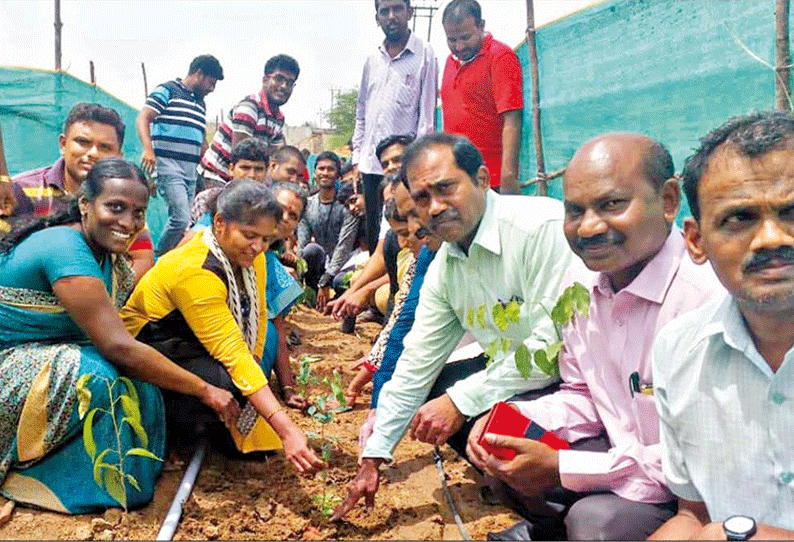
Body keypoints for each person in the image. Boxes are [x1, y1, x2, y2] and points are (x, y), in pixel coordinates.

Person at [467, 133, 724, 541]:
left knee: (598, 523)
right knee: (509, 451)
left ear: (670, 200)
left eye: (611, 205)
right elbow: (583, 391)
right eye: (575, 210)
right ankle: (548, 532)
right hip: (623, 455)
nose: (588, 227)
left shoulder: (705, 301)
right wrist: (519, 419)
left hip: (694, 493)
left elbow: (703, 459)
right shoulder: (581, 282)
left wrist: (563, 466)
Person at [331, 132, 575, 521]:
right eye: (423, 198)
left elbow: (553, 348)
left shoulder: (539, 228)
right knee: (444, 392)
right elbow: (416, 361)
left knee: (472, 416)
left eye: (446, 188)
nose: (435, 207)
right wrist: (374, 457)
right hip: (524, 381)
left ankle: (566, 509)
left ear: (481, 178)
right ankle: (537, 509)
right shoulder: (447, 266)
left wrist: (461, 403)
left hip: (577, 385)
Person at [0, 158, 237, 513]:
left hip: (56, 349)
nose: (129, 223)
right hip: (10, 363)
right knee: (98, 379)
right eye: (116, 207)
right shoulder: (64, 247)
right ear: (85, 204)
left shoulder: (104, 254)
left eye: (138, 213)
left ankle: (124, 475)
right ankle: (46, 476)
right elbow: (116, 345)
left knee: (142, 382)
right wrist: (206, 390)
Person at [649, 111, 794, 540]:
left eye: (792, 212)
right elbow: (693, 513)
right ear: (696, 241)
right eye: (740, 218)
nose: (771, 238)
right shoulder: (678, 351)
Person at [121, 180, 323, 471]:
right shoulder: (195, 270)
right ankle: (172, 429)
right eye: (249, 235)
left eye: (266, 239)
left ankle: (212, 429)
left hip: (189, 343)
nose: (258, 246)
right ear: (219, 223)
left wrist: (254, 374)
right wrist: (288, 430)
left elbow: (258, 316)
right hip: (150, 347)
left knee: (245, 384)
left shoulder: (254, 257)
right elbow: (232, 353)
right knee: (225, 383)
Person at [8, 103, 154, 282]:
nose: (93, 153)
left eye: (105, 148)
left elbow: (142, 259)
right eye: (83, 142)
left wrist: (103, 292)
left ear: (118, 157)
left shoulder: (126, 203)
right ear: (63, 144)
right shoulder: (20, 191)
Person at [352, 0, 438, 254]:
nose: (392, 16)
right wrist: (358, 158)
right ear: (377, 17)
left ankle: (402, 290)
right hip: (371, 166)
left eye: (398, 9)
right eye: (384, 11)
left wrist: (417, 165)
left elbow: (426, 117)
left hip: (402, 167)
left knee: (404, 232)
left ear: (409, 12)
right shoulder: (372, 59)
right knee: (374, 237)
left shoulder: (425, 54)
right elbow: (361, 112)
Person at [137, 55, 223, 256]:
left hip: (191, 170)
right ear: (199, 73)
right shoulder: (167, 91)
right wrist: (148, 149)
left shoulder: (201, 104)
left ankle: (174, 259)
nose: (213, 88)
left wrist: (211, 162)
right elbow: (144, 117)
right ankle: (159, 258)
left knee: (189, 222)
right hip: (168, 165)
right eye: (211, 82)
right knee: (180, 218)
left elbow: (201, 139)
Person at [328, 134, 415, 321]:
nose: (391, 167)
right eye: (385, 164)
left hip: (414, 270)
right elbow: (380, 255)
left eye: (398, 160)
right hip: (401, 269)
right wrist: (352, 292)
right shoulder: (389, 195)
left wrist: (366, 290)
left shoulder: (426, 196)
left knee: (384, 295)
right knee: (353, 280)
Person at [441, 0, 523, 194]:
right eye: (452, 40)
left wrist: (508, 178)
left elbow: (512, 121)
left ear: (481, 25)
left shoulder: (500, 56)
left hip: (490, 179)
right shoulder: (449, 63)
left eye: (465, 37)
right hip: (458, 176)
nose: (459, 46)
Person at [197, 55, 299, 188]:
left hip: (242, 179)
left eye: (290, 83)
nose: (284, 86)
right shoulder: (249, 108)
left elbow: (275, 158)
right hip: (215, 177)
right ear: (265, 80)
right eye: (279, 79)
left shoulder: (278, 118)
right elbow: (241, 157)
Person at [297, 151, 358, 312]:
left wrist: (327, 278)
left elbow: (345, 245)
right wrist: (298, 270)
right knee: (311, 250)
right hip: (323, 261)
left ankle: (339, 303)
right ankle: (312, 298)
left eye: (330, 169)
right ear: (314, 173)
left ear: (338, 174)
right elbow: (302, 243)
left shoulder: (347, 203)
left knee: (341, 281)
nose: (325, 173)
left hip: (347, 262)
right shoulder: (308, 205)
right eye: (321, 168)